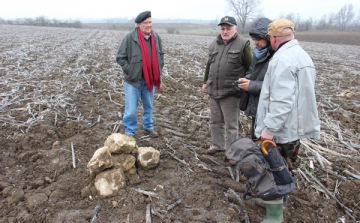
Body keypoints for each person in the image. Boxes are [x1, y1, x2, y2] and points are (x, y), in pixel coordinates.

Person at [255, 19, 321, 171]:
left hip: (280, 132)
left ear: (273, 38)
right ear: (293, 34)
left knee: (275, 173)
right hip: (293, 130)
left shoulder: (282, 60)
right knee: (287, 171)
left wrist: (269, 129)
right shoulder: (304, 56)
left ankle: (275, 195)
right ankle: (284, 194)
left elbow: (282, 101)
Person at [202, 16, 252, 165]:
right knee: (215, 121)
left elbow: (251, 67)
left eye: (228, 28)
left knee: (231, 125)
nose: (225, 31)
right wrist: (205, 82)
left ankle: (232, 152)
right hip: (214, 89)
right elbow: (209, 66)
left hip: (231, 92)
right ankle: (218, 145)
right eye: (222, 28)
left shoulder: (243, 44)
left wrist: (245, 83)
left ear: (235, 29)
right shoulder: (214, 44)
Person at [116, 11, 164, 138]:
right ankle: (129, 131)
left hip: (150, 80)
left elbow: (161, 55)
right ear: (138, 25)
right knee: (131, 109)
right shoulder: (130, 38)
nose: (149, 25)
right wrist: (130, 70)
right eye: (145, 23)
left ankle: (148, 126)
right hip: (133, 81)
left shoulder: (156, 37)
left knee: (149, 106)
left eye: (150, 22)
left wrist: (159, 69)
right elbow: (120, 57)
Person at [237, 17, 274, 141]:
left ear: (268, 38)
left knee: (267, 146)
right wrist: (245, 80)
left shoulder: (277, 58)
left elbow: (276, 87)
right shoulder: (258, 53)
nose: (255, 43)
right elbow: (252, 71)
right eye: (254, 39)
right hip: (257, 107)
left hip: (270, 111)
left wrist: (251, 85)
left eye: (258, 39)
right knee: (256, 141)